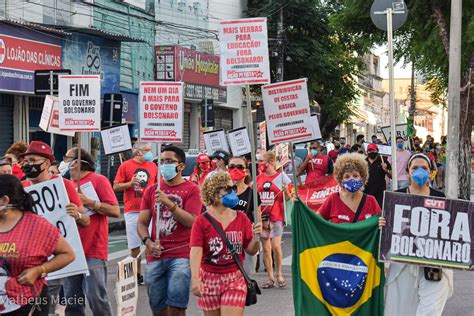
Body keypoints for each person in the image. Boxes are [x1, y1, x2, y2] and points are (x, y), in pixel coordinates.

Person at [19, 141, 89, 314]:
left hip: (56, 256)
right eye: (25, 161)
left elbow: (85, 220)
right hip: (28, 258)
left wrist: (77, 215)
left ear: (47, 164)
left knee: (48, 303)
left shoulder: (63, 185)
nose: (28, 165)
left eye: (33, 160)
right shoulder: (20, 189)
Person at [380, 153, 453, 315]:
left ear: (431, 172)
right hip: (403, 263)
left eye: (424, 168)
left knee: (430, 309)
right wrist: (382, 225)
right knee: (400, 309)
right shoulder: (397, 197)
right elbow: (388, 228)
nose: (420, 171)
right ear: (408, 172)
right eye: (415, 168)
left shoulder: (440, 197)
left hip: (433, 264)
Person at [137, 145, 202, 316]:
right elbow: (142, 223)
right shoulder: (152, 190)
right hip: (156, 255)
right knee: (157, 309)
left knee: (176, 307)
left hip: (181, 255)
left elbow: (193, 222)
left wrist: (168, 203)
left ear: (180, 166)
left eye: (169, 161)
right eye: (162, 161)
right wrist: (148, 242)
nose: (164, 164)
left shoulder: (192, 190)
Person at [0, 174, 75, 316]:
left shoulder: (36, 226)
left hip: (28, 304)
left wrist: (39, 270)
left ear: (4, 200)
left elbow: (68, 254)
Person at [190, 172, 262, 315]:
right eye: (227, 189)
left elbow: (251, 250)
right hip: (209, 279)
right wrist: (195, 279)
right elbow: (196, 251)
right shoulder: (201, 221)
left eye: (232, 189)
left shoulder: (242, 218)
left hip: (234, 278)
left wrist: (256, 237)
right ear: (214, 193)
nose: (232, 192)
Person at [62, 148, 120, 316]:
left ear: (77, 162)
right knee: (72, 299)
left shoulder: (98, 180)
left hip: (93, 247)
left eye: (66, 158)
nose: (63, 161)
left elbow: (115, 210)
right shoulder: (66, 184)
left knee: (96, 297)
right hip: (71, 249)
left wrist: (88, 202)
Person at [113, 141, 157, 284]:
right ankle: (136, 275)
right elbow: (116, 186)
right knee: (134, 246)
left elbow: (158, 184)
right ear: (138, 152)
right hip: (132, 211)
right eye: (147, 150)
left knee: (151, 242)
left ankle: (152, 273)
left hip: (150, 210)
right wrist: (129, 184)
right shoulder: (125, 166)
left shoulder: (153, 166)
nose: (150, 152)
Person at [257, 151, 291, 289]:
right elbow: (255, 197)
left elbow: (288, 198)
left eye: (262, 161)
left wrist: (286, 191)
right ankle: (270, 278)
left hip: (276, 216)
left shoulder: (282, 177)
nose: (260, 164)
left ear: (270, 162)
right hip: (262, 218)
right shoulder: (259, 178)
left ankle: (279, 274)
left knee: (276, 246)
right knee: (266, 249)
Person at [317, 153, 381, 223]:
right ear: (341, 180)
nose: (351, 179)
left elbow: (380, 223)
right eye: (347, 177)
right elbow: (316, 220)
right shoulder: (333, 199)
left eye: (355, 175)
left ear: (362, 177)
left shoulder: (371, 201)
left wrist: (381, 223)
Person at [228, 156, 262, 275]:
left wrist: (257, 232)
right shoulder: (223, 192)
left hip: (246, 242)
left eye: (239, 167)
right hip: (226, 241)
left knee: (247, 279)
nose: (235, 170)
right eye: (231, 167)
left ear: (246, 171)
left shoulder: (252, 194)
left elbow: (258, 221)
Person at [363, 143, 391, 208]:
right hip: (367, 191)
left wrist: (386, 170)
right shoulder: (364, 162)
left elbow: (391, 176)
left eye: (373, 150)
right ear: (367, 152)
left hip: (380, 191)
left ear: (377, 151)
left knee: (379, 209)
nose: (371, 152)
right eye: (369, 151)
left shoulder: (383, 161)